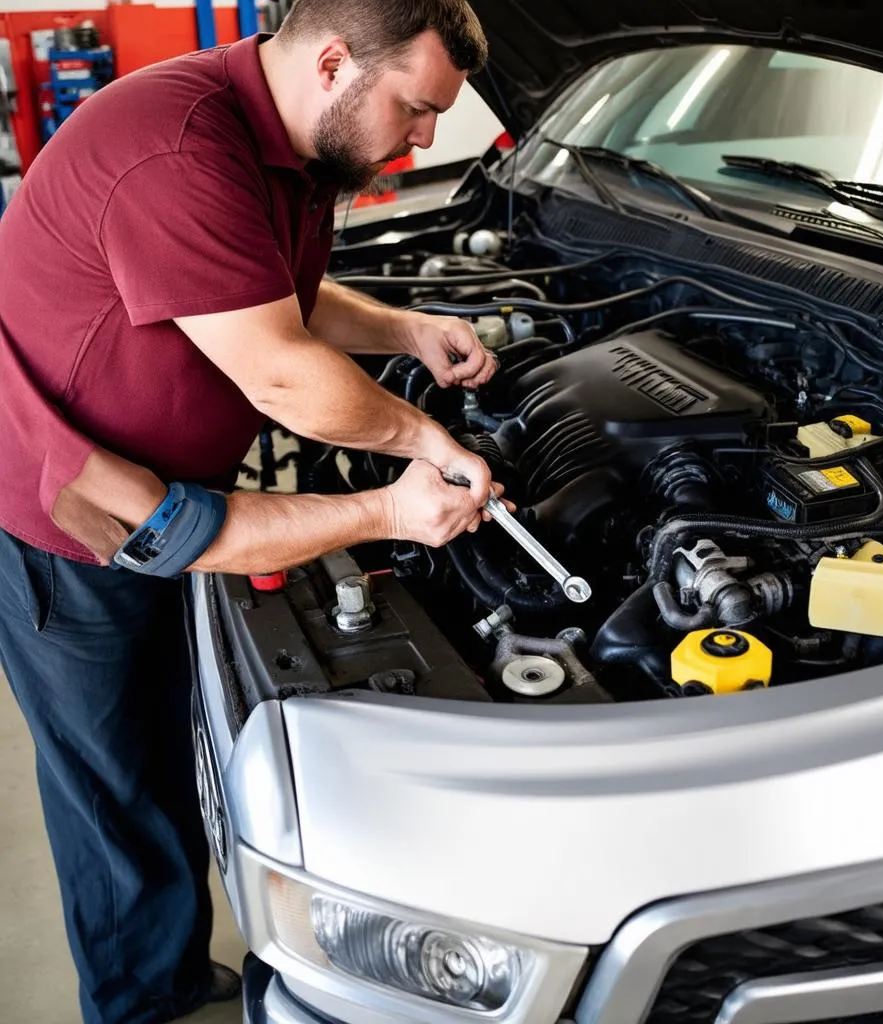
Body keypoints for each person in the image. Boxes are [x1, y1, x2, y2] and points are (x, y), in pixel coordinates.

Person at [0, 2, 503, 1022]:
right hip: (69, 518)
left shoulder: (284, 138)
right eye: (416, 109)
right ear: (332, 63)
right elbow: (278, 375)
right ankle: (152, 1000)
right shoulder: (180, 149)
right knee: (119, 790)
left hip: (155, 487)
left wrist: (407, 326)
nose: (427, 141)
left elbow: (283, 297)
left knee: (166, 748)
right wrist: (414, 456)